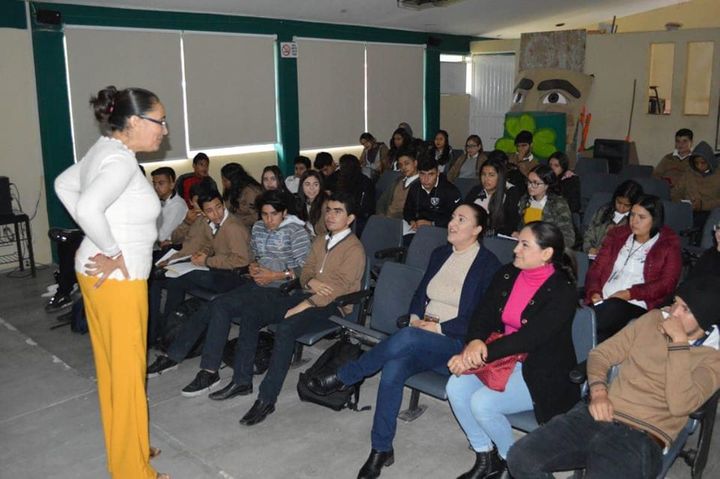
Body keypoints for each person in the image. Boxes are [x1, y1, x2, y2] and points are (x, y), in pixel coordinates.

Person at [307, 203, 502, 479]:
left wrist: (435, 328)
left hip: (456, 343)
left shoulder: (488, 265)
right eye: (452, 217)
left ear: (478, 229)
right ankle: (381, 449)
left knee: (408, 337)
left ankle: (347, 375)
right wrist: (413, 316)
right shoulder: (441, 253)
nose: (452, 223)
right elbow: (421, 293)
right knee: (393, 368)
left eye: (461, 219)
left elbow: (480, 320)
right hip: (421, 337)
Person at [54, 85, 169, 479]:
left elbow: (63, 185)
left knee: (118, 371)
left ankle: (132, 447)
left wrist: (101, 240)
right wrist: (113, 249)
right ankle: (132, 471)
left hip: (101, 275)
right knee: (126, 376)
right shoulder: (119, 161)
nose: (164, 130)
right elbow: (86, 206)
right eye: (160, 121)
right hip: (119, 280)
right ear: (135, 121)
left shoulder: (105, 149)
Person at [508, 276, 720, 479]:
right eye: (675, 302)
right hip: (598, 414)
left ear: (705, 319)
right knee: (521, 458)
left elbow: (680, 404)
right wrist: (599, 392)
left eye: (685, 310)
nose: (673, 313)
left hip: (641, 438)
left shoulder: (712, 359)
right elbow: (601, 354)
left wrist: (678, 343)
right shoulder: (652, 320)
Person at [446, 221, 580, 479]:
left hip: (539, 368)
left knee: (482, 404)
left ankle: (511, 462)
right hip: (500, 356)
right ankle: (486, 456)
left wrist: (478, 354)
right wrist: (474, 341)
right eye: (518, 242)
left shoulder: (563, 290)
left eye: (524, 244)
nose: (515, 249)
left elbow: (528, 339)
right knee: (455, 387)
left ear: (546, 254)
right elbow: (483, 312)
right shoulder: (508, 273)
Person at [146, 190, 312, 398]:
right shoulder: (259, 227)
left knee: (222, 306)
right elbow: (254, 256)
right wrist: (254, 267)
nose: (269, 220)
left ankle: (209, 371)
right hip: (257, 282)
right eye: (264, 214)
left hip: (283, 288)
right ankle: (177, 356)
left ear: (284, 213)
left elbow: (306, 271)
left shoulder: (296, 232)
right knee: (213, 305)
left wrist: (275, 275)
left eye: (274, 215)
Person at [235, 192, 366, 426]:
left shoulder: (354, 249)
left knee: (286, 328)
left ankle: (267, 398)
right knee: (253, 312)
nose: (331, 215)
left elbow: (340, 289)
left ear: (350, 218)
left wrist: (305, 304)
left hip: (333, 308)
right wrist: (311, 283)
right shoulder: (319, 240)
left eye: (338, 211)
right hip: (306, 294)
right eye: (328, 210)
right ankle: (241, 380)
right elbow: (305, 272)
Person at [150, 189, 251, 343]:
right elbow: (212, 245)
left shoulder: (232, 227)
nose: (216, 214)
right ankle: (168, 332)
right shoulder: (213, 224)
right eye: (210, 211)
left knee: (181, 276)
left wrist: (206, 261)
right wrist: (203, 254)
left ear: (223, 204)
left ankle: (168, 335)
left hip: (235, 277)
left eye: (218, 207)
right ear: (203, 213)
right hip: (219, 269)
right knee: (175, 279)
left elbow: (241, 260)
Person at [585, 194, 682, 342]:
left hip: (637, 304)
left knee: (608, 312)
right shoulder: (617, 235)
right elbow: (596, 270)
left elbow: (667, 283)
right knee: (598, 334)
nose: (634, 221)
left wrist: (629, 293)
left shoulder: (668, 245)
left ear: (655, 220)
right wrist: (594, 292)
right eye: (632, 215)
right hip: (603, 301)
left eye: (641, 217)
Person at [515, 165, 575, 248]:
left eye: (536, 183)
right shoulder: (525, 199)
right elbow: (522, 227)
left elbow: (568, 237)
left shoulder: (558, 203)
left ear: (547, 185)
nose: (530, 186)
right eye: (529, 182)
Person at [403, 155, 462, 238]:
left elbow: (457, 217)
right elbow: (407, 210)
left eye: (431, 174)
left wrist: (432, 223)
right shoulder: (415, 187)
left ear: (438, 173)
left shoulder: (450, 190)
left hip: (441, 230)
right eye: (422, 174)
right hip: (417, 228)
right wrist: (411, 221)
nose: (426, 179)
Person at [583, 180, 643, 255]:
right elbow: (590, 233)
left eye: (627, 205)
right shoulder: (603, 211)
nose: (621, 208)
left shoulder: (636, 220)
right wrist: (589, 248)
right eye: (619, 202)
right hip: (594, 254)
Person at [465, 158, 521, 237]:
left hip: (496, 238)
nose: (486, 179)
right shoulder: (476, 190)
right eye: (483, 174)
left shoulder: (510, 193)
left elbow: (511, 224)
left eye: (491, 175)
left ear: (500, 177)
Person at [672, 153, 720, 232]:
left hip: (709, 211)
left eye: (703, 163)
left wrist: (702, 205)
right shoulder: (688, 173)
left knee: (701, 220)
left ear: (710, 162)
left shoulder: (718, 175)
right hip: (686, 209)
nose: (699, 166)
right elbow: (675, 192)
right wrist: (680, 203)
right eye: (696, 163)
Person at [336, 153, 375, 235]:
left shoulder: (364, 183)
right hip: (347, 212)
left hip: (359, 217)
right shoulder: (344, 180)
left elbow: (363, 207)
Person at [151, 166, 187, 251]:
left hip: (172, 250)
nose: (156, 187)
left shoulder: (177, 205)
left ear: (172, 184)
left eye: (161, 183)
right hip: (158, 247)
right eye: (154, 183)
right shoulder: (158, 201)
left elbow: (162, 236)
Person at [376, 150, 419, 219]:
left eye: (407, 163)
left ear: (415, 163)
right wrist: (381, 215)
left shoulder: (421, 183)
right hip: (386, 218)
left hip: (402, 221)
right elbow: (382, 201)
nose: (403, 167)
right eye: (400, 165)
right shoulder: (398, 180)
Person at [224, 164, 262, 229]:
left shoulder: (250, 192)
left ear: (233, 180)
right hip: (236, 225)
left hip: (251, 227)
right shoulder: (230, 190)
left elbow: (256, 216)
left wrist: (236, 221)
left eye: (225, 180)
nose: (223, 183)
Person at [297, 170, 329, 237]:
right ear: (301, 186)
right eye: (307, 184)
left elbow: (325, 233)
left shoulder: (326, 205)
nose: (312, 188)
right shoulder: (303, 203)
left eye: (316, 184)